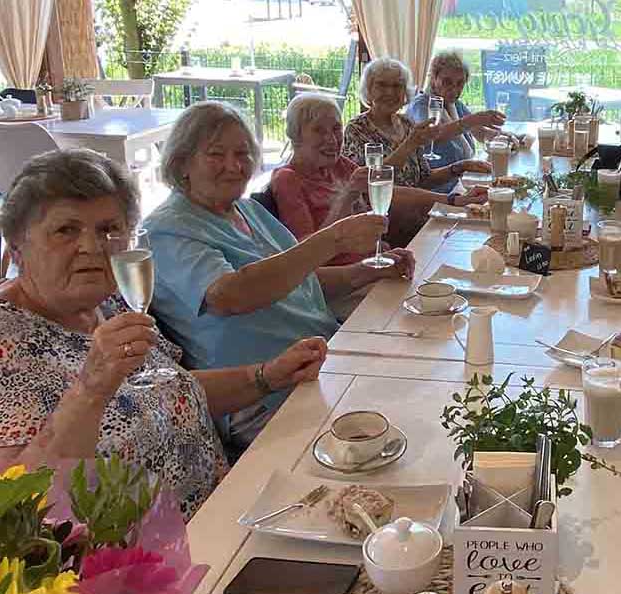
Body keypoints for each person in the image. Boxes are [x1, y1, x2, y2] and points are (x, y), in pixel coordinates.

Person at [0, 149, 329, 519]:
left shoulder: (109, 303)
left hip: (224, 511)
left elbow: (171, 389)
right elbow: (20, 507)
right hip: (131, 567)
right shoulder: (8, 343)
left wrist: (265, 376)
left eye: (109, 229)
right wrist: (90, 390)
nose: (91, 247)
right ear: (17, 248)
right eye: (65, 230)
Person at [143, 101, 415, 450]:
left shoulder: (247, 209)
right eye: (215, 154)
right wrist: (334, 239)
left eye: (242, 153)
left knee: (421, 385)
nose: (233, 165)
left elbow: (300, 279)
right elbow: (230, 295)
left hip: (323, 357)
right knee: (394, 434)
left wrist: (366, 272)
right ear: (181, 163)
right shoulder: (167, 230)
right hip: (263, 394)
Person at [341, 58, 489, 244]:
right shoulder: (357, 129)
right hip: (384, 227)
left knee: (477, 233)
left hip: (417, 217)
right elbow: (371, 186)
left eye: (397, 86)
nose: (390, 92)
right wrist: (409, 145)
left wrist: (460, 167)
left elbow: (423, 178)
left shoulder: (406, 124)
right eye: (382, 85)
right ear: (368, 90)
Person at [272, 93, 370, 266]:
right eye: (319, 130)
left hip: (374, 261)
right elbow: (307, 252)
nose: (332, 140)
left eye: (336, 129)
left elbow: (386, 192)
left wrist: (433, 200)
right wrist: (347, 197)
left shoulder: (338, 164)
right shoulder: (288, 179)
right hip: (343, 278)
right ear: (296, 136)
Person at [405, 51, 506, 193]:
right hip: (437, 189)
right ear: (434, 78)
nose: (454, 89)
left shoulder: (454, 104)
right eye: (447, 82)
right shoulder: (421, 105)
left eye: (460, 83)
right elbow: (434, 135)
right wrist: (474, 119)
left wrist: (506, 137)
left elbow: (479, 132)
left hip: (462, 182)